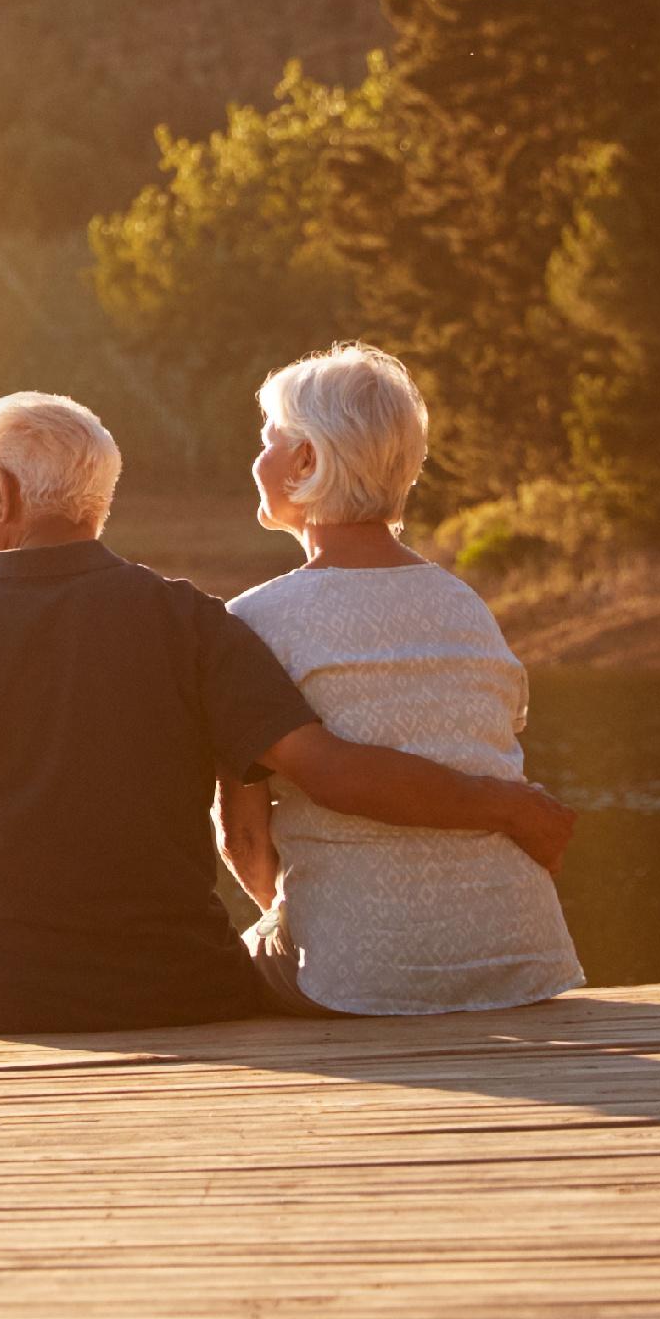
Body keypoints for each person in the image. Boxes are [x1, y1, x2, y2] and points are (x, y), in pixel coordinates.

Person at [0, 389, 575, 1036]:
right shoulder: (196, 623)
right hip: (182, 988)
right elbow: (307, 778)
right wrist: (507, 805)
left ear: (0, 495)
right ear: (99, 502)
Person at [221, 344, 585, 1015]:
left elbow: (244, 841)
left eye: (268, 440)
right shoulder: (465, 606)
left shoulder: (252, 622)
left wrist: (301, 924)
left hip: (357, 979)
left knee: (222, 970)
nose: (258, 459)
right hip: (522, 961)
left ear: (306, 460)